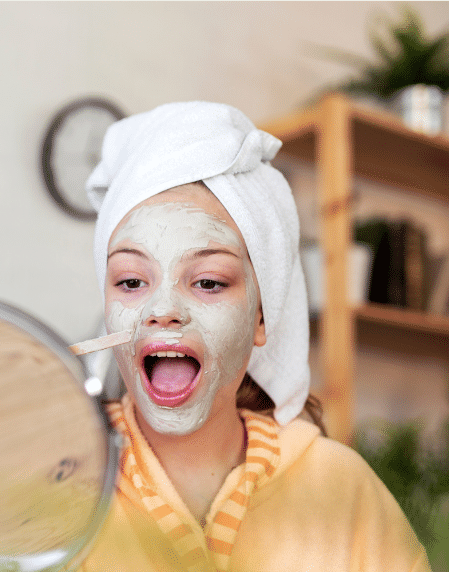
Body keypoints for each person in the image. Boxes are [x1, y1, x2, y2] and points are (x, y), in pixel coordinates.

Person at [77, 102, 431, 571]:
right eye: (131, 281)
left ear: (262, 318)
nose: (162, 312)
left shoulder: (342, 488)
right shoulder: (59, 477)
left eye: (208, 282)